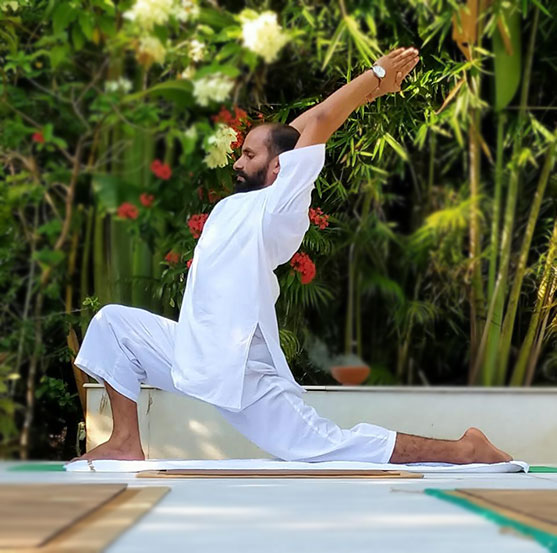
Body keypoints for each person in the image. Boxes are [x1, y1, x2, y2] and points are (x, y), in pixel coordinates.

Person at [71, 47, 512, 465]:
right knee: (113, 325)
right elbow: (295, 132)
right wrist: (376, 90)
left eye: (248, 154)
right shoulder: (240, 204)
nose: (237, 162)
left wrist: (376, 75)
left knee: (325, 446)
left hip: (240, 367)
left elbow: (318, 122)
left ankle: (464, 450)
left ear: (279, 167)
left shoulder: (280, 206)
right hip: (191, 349)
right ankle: (126, 442)